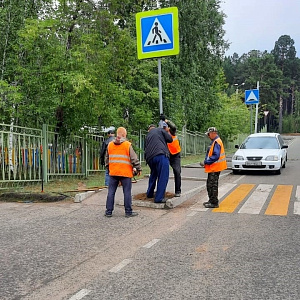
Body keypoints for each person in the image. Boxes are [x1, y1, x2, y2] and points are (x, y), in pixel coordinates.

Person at [104, 127, 142, 217]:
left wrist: (109, 168)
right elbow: (134, 158)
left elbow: (107, 159)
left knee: (111, 192)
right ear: (124, 135)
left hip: (113, 173)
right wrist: (138, 168)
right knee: (127, 192)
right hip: (125, 173)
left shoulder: (110, 145)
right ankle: (128, 212)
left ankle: (108, 212)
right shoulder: (127, 145)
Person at [145, 124, 173, 203]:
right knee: (163, 176)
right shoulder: (160, 130)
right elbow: (170, 139)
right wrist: (167, 131)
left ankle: (149, 193)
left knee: (153, 174)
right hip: (161, 155)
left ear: (149, 130)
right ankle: (159, 198)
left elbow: (146, 148)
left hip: (150, 158)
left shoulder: (147, 136)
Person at [200, 127, 227, 208]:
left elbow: (215, 156)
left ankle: (214, 203)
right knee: (210, 184)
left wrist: (206, 162)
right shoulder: (215, 141)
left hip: (215, 167)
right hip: (213, 167)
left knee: (212, 185)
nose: (208, 136)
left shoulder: (216, 142)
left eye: (208, 134)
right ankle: (211, 200)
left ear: (213, 133)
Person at [164, 118, 181, 197]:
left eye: (166, 127)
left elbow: (173, 127)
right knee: (163, 172)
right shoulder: (162, 134)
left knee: (177, 172)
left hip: (175, 155)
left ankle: (178, 191)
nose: (165, 129)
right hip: (167, 155)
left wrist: (166, 120)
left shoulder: (172, 132)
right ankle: (162, 191)